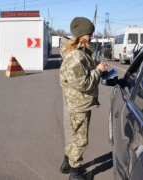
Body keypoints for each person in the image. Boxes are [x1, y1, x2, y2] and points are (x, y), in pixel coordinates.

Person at [59, 17, 108, 180]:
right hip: (79, 104)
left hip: (80, 102)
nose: (92, 37)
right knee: (80, 139)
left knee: (75, 136)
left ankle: (67, 163)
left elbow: (83, 71)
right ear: (81, 35)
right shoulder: (75, 57)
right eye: (89, 34)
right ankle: (75, 173)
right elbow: (84, 83)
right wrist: (98, 71)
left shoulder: (80, 52)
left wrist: (95, 67)